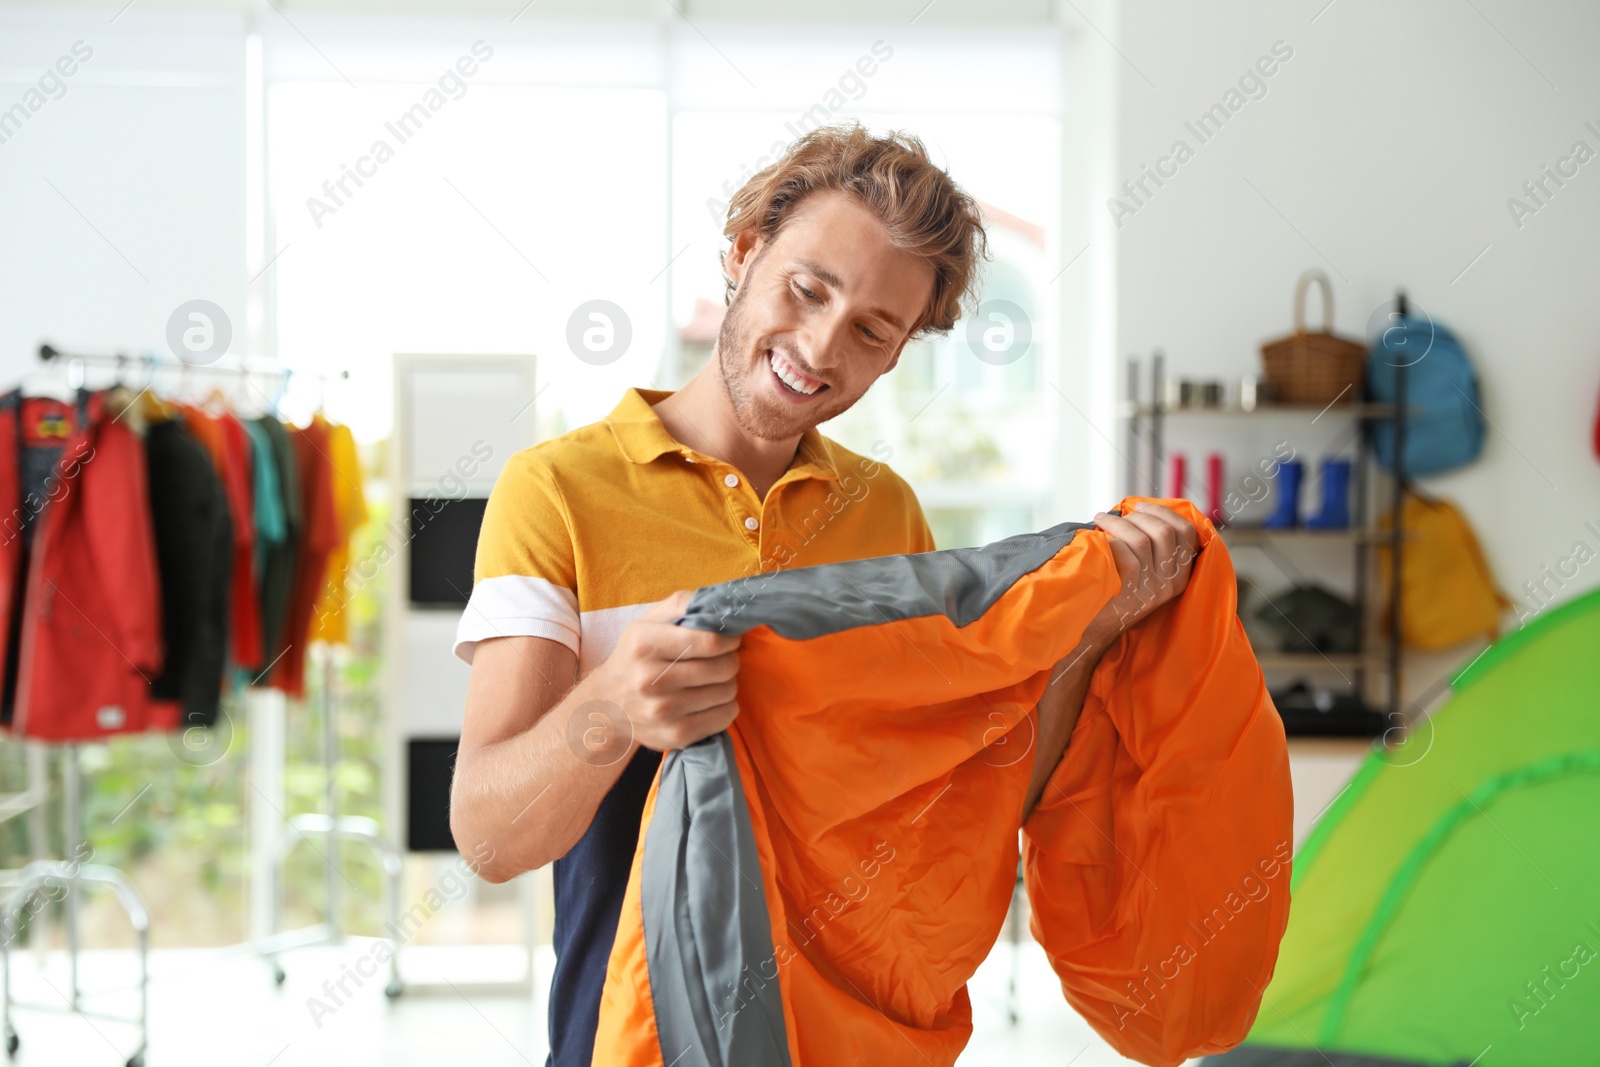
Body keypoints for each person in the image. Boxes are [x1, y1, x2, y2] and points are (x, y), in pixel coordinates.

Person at [449, 122, 1198, 1066]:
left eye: (872, 330)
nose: (817, 345)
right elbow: (489, 835)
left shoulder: (886, 515)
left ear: (896, 355)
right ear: (744, 252)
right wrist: (611, 704)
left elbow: (968, 797)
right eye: (807, 289)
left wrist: (1089, 633)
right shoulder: (557, 490)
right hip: (630, 1042)